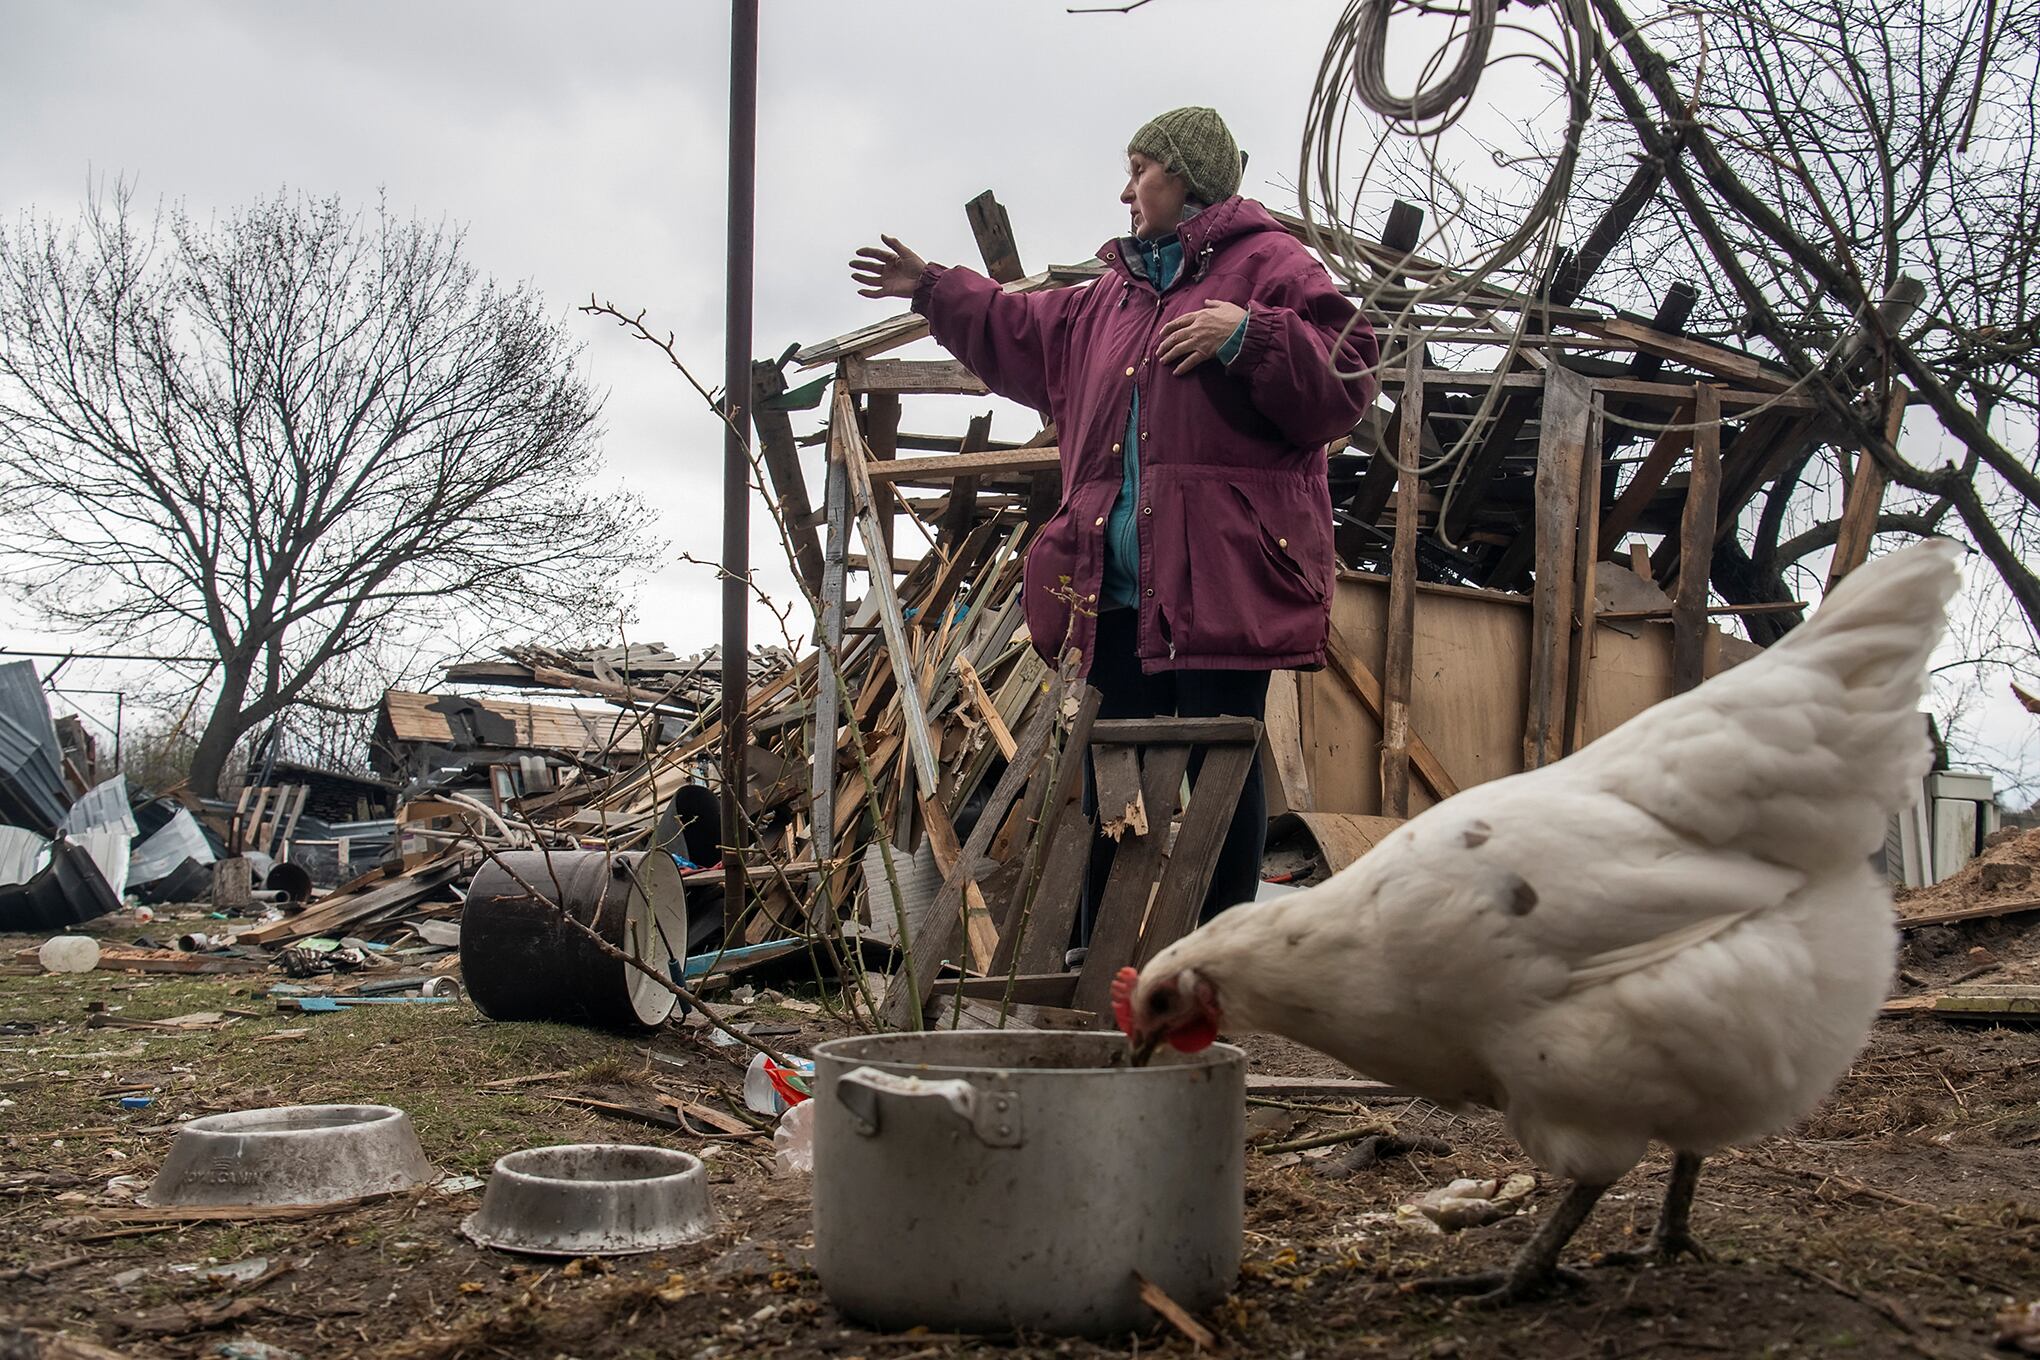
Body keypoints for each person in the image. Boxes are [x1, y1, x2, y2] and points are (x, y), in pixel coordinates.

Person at [850, 105, 1378, 946]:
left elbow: (1351, 371)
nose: (1125, 189)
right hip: (1117, 587)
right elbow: (1018, 326)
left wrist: (1250, 335)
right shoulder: (1110, 300)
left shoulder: (1272, 266)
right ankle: (1100, 966)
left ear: (1186, 177)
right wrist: (932, 287)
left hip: (1224, 580)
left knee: (1221, 777)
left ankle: (1214, 970)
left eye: (1140, 169)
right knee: (1111, 778)